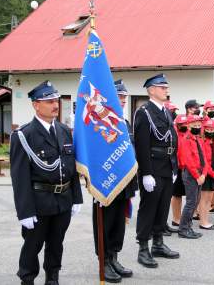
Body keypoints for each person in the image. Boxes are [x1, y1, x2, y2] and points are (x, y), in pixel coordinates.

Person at [10, 81, 83, 285]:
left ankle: (53, 278)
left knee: (56, 244)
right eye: (49, 101)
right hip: (39, 203)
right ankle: (27, 279)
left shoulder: (64, 130)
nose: (55, 105)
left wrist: (76, 197)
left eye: (56, 100)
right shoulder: (24, 135)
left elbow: (71, 168)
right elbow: (20, 178)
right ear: (36, 105)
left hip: (63, 200)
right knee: (32, 246)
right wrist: (25, 211)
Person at [134, 74, 179, 268]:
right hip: (152, 166)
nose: (166, 90)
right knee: (149, 208)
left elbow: (172, 140)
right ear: (151, 90)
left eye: (166, 87)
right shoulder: (144, 112)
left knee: (162, 207)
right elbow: (142, 144)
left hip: (167, 166)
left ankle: (158, 243)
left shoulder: (166, 112)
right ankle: (143, 248)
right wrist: (146, 173)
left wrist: (174, 165)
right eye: (162, 87)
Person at [91, 79, 134, 282]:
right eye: (120, 97)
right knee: (105, 223)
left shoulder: (123, 123)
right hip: (105, 183)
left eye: (125, 97)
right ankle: (104, 261)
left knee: (118, 223)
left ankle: (114, 257)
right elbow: (93, 156)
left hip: (123, 183)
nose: (123, 101)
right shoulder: (99, 123)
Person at [178, 114, 208, 239]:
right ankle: (183, 229)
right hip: (191, 174)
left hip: (200, 174)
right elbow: (188, 160)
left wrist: (204, 174)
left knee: (195, 200)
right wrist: (197, 176)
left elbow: (204, 158)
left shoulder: (198, 139)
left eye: (198, 124)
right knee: (191, 202)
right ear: (188, 125)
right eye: (194, 125)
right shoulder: (186, 140)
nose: (197, 126)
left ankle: (189, 226)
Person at [200, 118, 214, 230]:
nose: (210, 131)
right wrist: (213, 173)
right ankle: (203, 222)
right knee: (204, 198)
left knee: (210, 198)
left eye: (212, 129)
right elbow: (203, 161)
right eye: (208, 129)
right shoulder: (202, 142)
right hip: (207, 173)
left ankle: (206, 219)